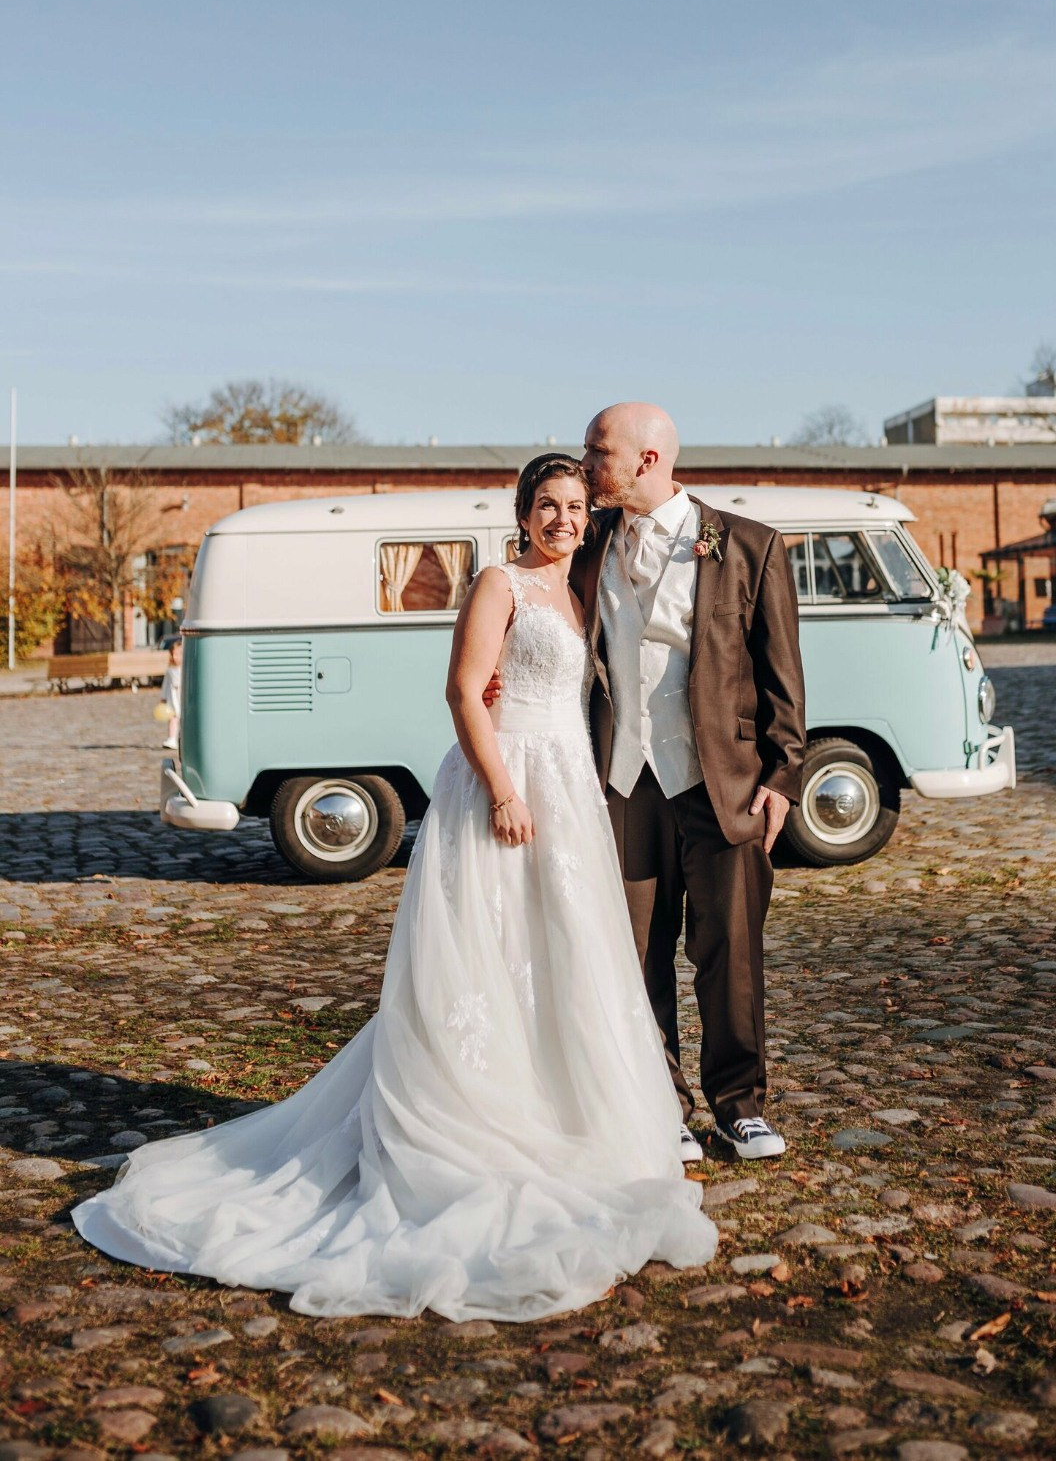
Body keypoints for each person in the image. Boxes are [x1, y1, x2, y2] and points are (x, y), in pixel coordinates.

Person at [72, 454, 716, 1321]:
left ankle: (570, 1113)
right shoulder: (499, 584)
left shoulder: (581, 589)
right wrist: (503, 791)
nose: (563, 519)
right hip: (508, 781)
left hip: (569, 787)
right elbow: (463, 693)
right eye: (547, 505)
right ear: (522, 513)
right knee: (489, 954)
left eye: (574, 506)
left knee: (566, 953)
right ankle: (470, 1118)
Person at [578, 403, 805, 1163]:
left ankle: (739, 1107)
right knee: (634, 954)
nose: (585, 464)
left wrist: (782, 777)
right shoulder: (587, 542)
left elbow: (781, 676)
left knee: (730, 952)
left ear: (646, 459)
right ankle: (660, 1104)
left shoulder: (748, 545)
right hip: (622, 783)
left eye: (598, 451)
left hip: (724, 784)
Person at [160, 637, 182, 750]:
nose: (174, 657)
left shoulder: (185, 669)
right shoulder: (170, 670)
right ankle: (172, 738)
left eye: (177, 654)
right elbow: (166, 684)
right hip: (172, 697)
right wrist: (163, 697)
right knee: (173, 718)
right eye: (172, 654)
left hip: (182, 697)